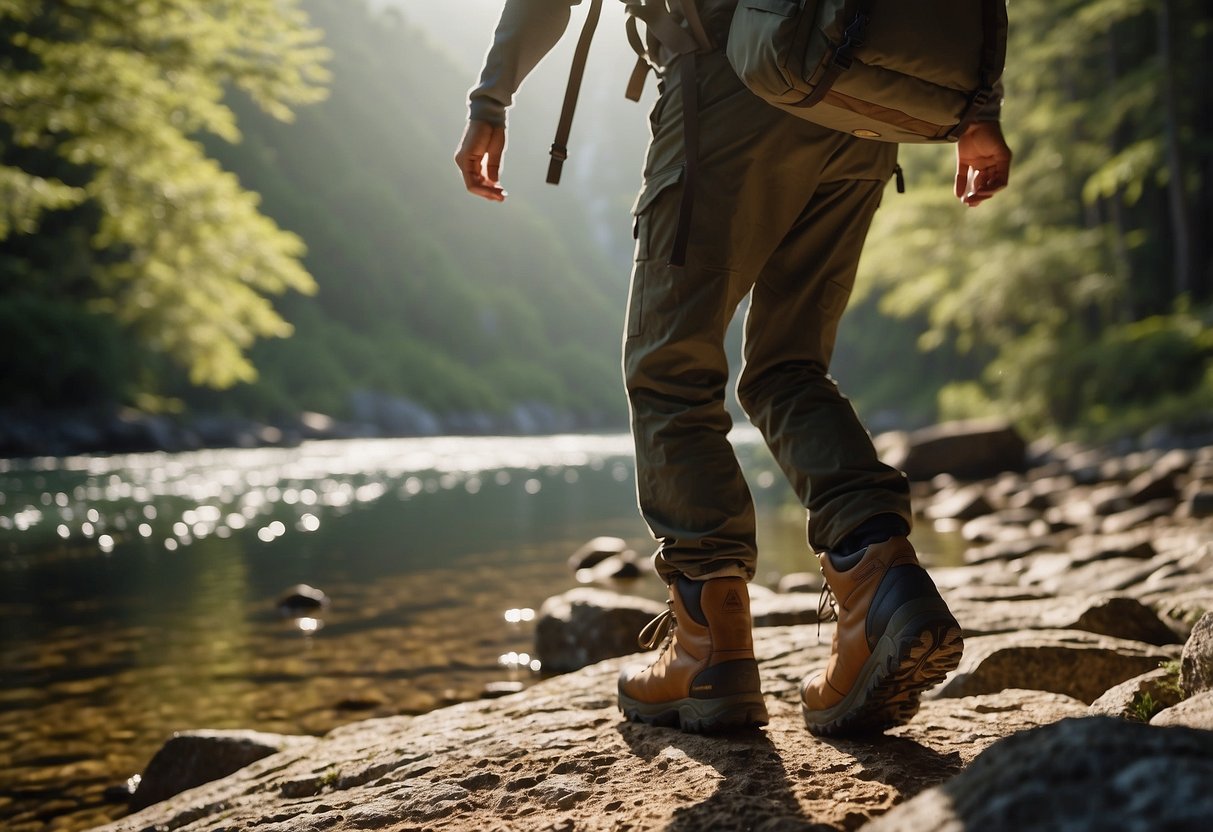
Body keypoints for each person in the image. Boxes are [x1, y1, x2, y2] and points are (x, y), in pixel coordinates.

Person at [456, 0, 1012, 736]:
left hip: (730, 88)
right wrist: (979, 108)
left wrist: (490, 98)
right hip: (857, 102)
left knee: (669, 368)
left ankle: (708, 645)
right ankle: (877, 573)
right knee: (788, 368)